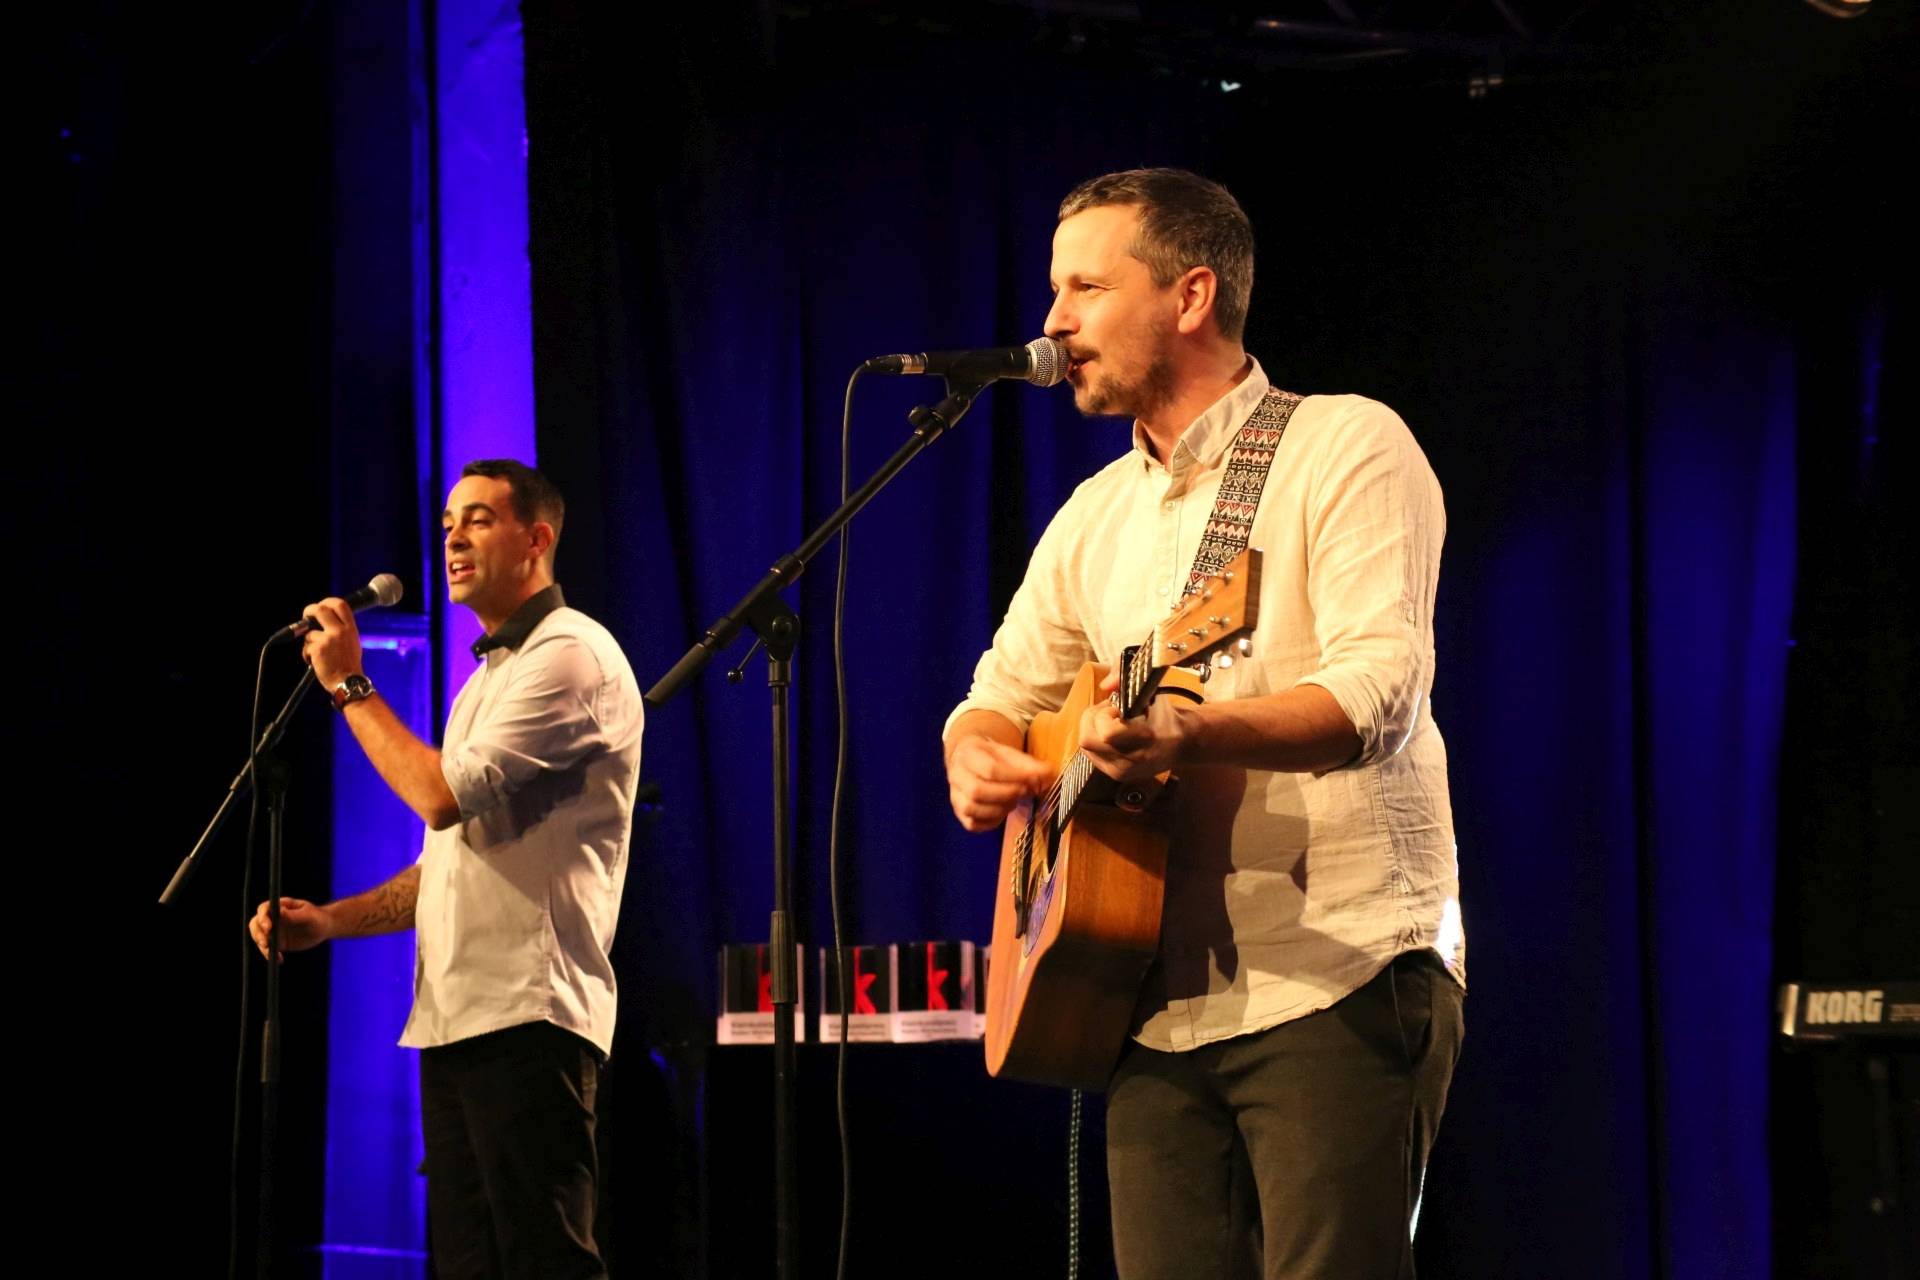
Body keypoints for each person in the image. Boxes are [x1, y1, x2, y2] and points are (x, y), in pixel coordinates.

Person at [943, 169, 1464, 1279]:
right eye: (1055, 289)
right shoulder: (1094, 514)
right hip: (1144, 997)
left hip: (1334, 969)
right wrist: (974, 752)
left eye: (1086, 287)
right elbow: (1000, 691)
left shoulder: (1346, 445)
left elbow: (1381, 692)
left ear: (1189, 296)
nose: (1053, 320)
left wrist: (1193, 736)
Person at [250, 459, 644, 1279]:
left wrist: (349, 683)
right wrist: (329, 922)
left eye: (479, 520)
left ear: (536, 539)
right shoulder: (485, 681)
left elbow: (436, 798)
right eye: (447, 524)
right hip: (458, 1019)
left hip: (531, 1015)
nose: (454, 539)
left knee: (545, 1263)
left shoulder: (571, 655)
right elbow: (448, 863)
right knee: (470, 1266)